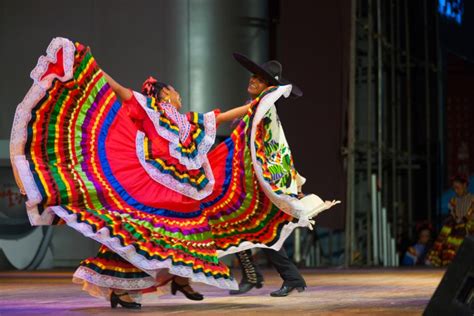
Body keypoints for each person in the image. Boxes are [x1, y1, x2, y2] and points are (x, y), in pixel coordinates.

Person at [10, 38, 339, 308]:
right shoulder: (150, 109)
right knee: (142, 230)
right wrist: (96, 71)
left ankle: (148, 287)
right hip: (151, 183)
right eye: (175, 92)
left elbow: (223, 117)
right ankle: (136, 287)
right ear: (165, 93)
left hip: (179, 189)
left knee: (161, 233)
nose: (180, 96)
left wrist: (266, 100)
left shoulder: (185, 121)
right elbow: (122, 91)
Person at [229, 53, 308, 297]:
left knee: (261, 230)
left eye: (259, 79)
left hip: (267, 179)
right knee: (241, 225)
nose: (253, 80)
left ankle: (284, 277)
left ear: (269, 88)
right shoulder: (259, 106)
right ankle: (258, 274)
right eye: (253, 75)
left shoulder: (263, 107)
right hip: (259, 178)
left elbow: (276, 147)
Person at [426, 174, 474, 267]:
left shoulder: (472, 199)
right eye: (454, 188)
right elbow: (453, 214)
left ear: (464, 185)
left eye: (457, 188)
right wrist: (455, 220)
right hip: (456, 226)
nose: (456, 190)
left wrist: (464, 220)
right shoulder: (453, 201)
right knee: (446, 238)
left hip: (469, 227)